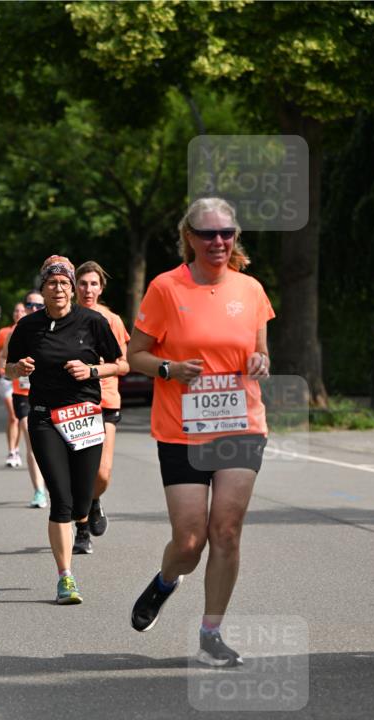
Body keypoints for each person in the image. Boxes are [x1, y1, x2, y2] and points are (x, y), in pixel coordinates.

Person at [126, 197, 273, 666]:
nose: (218, 241)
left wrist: (260, 361)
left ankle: (211, 635)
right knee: (190, 543)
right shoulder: (166, 288)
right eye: (208, 233)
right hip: (182, 429)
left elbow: (260, 352)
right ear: (189, 237)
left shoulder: (250, 289)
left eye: (226, 233)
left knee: (226, 531)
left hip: (240, 424)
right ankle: (166, 580)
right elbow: (135, 355)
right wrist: (168, 369)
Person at [6, 255, 126, 605]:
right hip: (44, 417)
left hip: (84, 416)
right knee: (60, 499)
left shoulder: (93, 322)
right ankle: (66, 577)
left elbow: (122, 364)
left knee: (81, 498)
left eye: (64, 283)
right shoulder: (28, 326)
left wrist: (92, 371)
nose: (58, 288)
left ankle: (85, 517)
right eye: (51, 283)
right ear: (42, 288)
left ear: (71, 289)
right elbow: (8, 368)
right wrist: (18, 368)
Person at [74, 261, 130, 552]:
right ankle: (81, 530)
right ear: (74, 287)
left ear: (101, 288)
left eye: (93, 284)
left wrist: (95, 369)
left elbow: (123, 365)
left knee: (102, 473)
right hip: (73, 402)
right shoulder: (64, 318)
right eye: (83, 283)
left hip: (105, 399)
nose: (88, 289)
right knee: (79, 470)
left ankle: (94, 500)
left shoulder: (112, 320)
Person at [0, 327, 47, 510]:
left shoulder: (55, 328)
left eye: (37, 305)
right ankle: (39, 491)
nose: (31, 309)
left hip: (49, 394)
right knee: (31, 440)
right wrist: (15, 368)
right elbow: (5, 360)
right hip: (23, 395)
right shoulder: (16, 332)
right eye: (28, 306)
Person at [0, 303, 25, 468]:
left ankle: (16, 449)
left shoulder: (33, 330)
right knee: (13, 416)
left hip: (23, 381)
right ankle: (12, 451)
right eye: (16, 310)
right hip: (7, 378)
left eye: (22, 310)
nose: (18, 313)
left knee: (20, 418)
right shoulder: (4, 332)